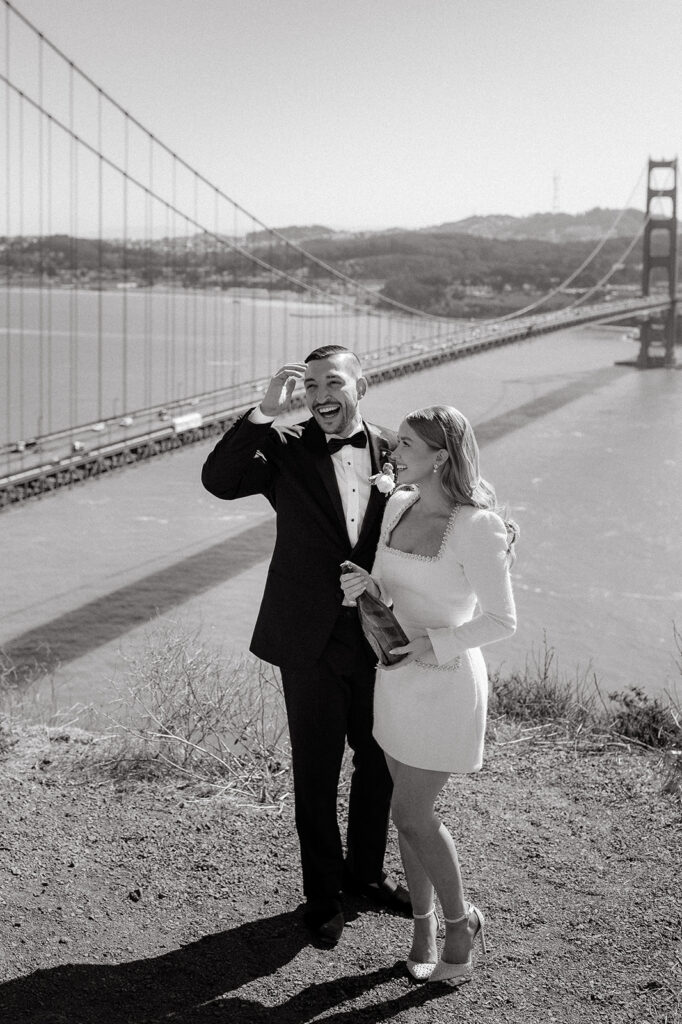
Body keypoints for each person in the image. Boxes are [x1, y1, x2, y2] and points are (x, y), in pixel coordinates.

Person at [201, 345, 410, 947]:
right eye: (309, 383)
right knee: (315, 771)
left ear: (360, 384)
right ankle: (322, 896)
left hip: (380, 632)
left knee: (379, 763)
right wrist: (263, 413)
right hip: (307, 637)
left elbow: (440, 512)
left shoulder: (398, 447)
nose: (319, 393)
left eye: (332, 381)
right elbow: (220, 481)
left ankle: (365, 876)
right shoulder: (283, 446)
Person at [340, 405, 517, 986]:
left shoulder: (477, 526)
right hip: (394, 679)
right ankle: (422, 927)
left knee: (410, 812)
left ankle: (461, 924)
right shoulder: (398, 503)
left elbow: (500, 620)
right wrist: (369, 588)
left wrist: (430, 647)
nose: (395, 452)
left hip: (443, 683)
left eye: (408, 445)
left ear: (442, 455)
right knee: (410, 819)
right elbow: (398, 590)